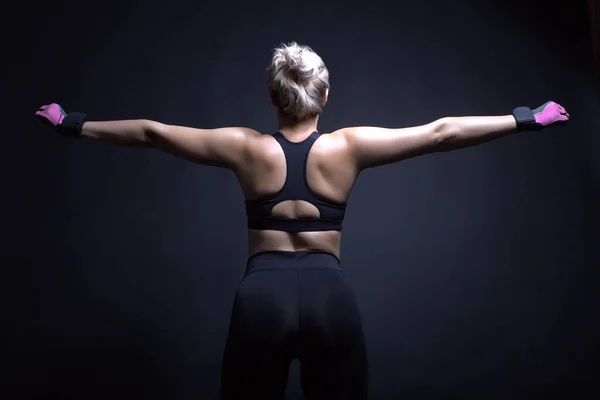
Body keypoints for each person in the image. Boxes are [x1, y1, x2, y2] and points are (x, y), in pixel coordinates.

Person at [35, 42, 570, 400]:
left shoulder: (243, 148)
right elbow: (440, 132)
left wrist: (72, 124)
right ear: (325, 95)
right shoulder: (350, 147)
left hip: (260, 297)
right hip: (328, 296)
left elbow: (153, 131)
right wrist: (524, 119)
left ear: (273, 97)